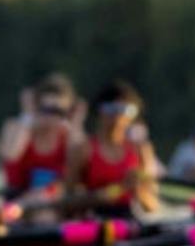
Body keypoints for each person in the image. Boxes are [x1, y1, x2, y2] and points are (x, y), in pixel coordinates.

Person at [66, 80, 159, 216]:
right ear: (100, 112)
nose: (118, 118)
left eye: (125, 111)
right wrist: (96, 198)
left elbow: (152, 206)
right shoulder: (83, 149)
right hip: (94, 220)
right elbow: (66, 204)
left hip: (129, 220)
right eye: (111, 110)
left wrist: (138, 191)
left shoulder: (141, 150)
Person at [0, 74, 81, 200]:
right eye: (46, 110)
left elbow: (79, 170)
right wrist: (27, 117)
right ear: (35, 107)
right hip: (17, 201)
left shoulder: (70, 135)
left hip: (55, 202)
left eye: (58, 112)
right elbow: (10, 154)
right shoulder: (15, 127)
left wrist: (76, 124)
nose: (51, 117)